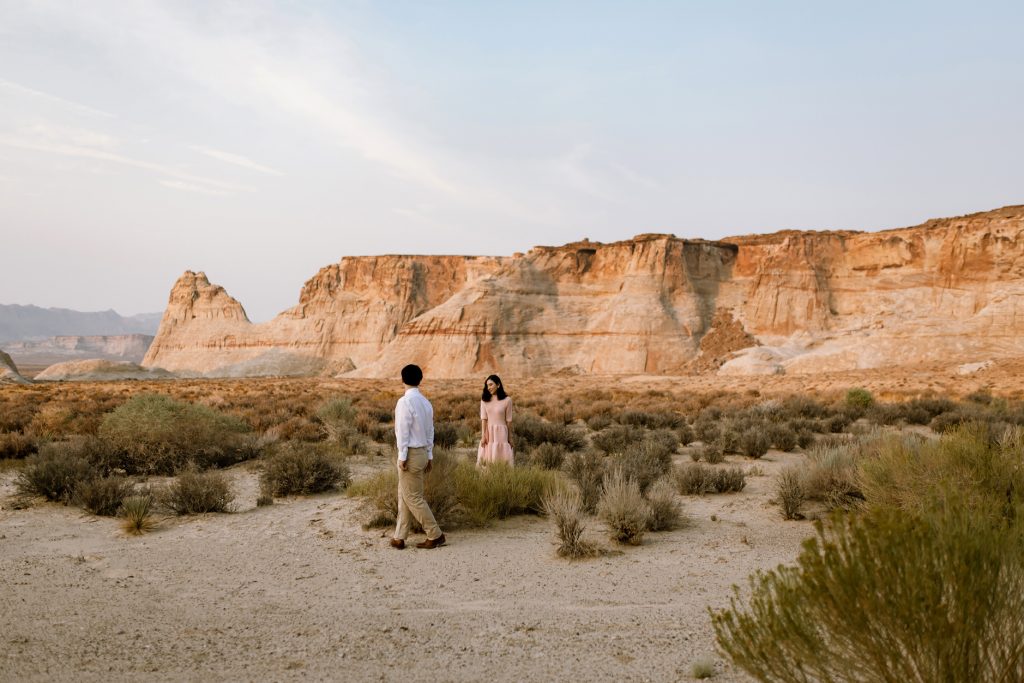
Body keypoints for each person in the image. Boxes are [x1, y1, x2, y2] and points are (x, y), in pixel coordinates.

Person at [390, 364, 446, 550]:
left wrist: (402, 456)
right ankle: (399, 537)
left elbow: (402, 431)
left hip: (411, 455)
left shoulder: (404, 402)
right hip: (422, 453)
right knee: (404, 494)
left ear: (402, 379)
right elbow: (431, 431)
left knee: (413, 497)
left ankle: (435, 534)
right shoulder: (426, 403)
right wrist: (429, 455)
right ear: (419, 380)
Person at [477, 374, 514, 466]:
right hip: (489, 433)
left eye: (491, 384)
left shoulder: (507, 400)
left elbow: (509, 421)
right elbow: (484, 419)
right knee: (487, 461)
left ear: (498, 385)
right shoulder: (484, 400)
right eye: (487, 385)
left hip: (502, 433)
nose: (488, 387)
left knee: (502, 459)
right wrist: (483, 436)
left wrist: (509, 438)